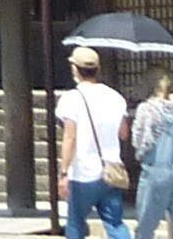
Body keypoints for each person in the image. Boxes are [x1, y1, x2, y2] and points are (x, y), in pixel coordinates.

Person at [59, 45, 131, 239]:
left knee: (75, 223)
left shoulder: (71, 99)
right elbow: (124, 133)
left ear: (75, 69)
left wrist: (64, 172)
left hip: (83, 172)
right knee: (115, 223)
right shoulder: (115, 97)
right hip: (111, 169)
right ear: (98, 69)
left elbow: (70, 138)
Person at [130, 67, 173, 239]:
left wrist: (140, 156)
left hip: (157, 169)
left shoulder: (147, 108)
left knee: (146, 225)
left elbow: (140, 142)